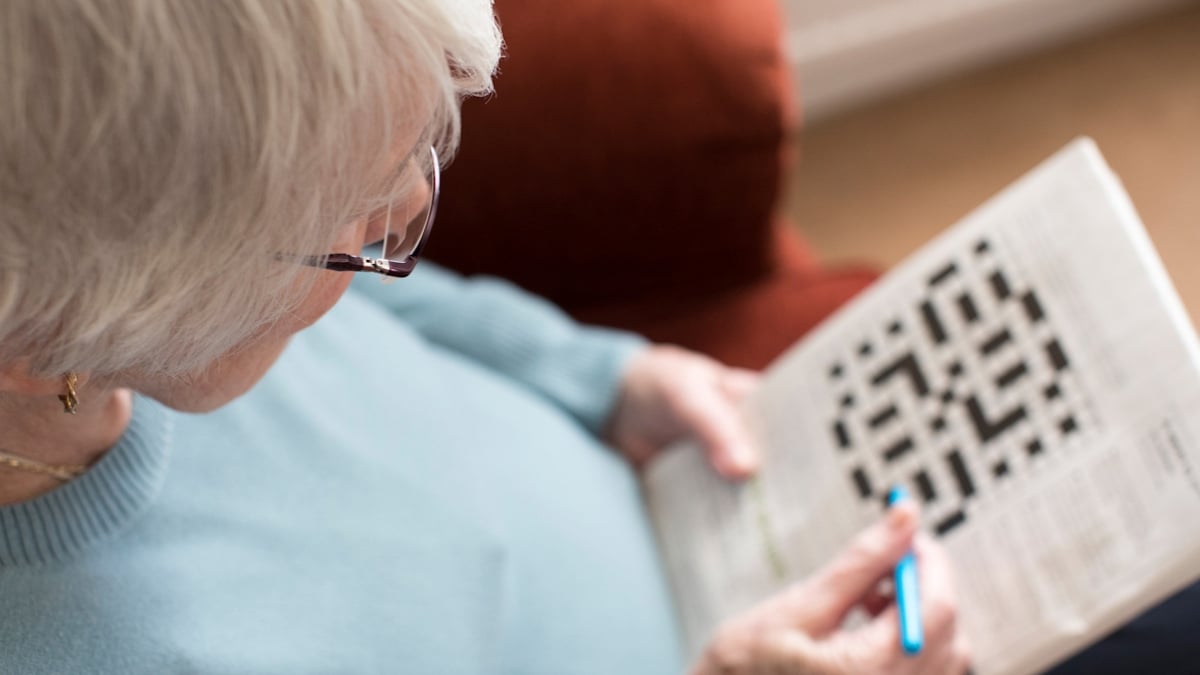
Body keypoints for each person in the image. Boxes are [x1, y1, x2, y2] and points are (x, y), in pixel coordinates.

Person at [0, 1, 970, 673]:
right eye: (353, 226)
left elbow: (396, 310)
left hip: (681, 506)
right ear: (41, 348)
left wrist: (603, 376)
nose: (414, 207)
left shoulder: (145, 315)